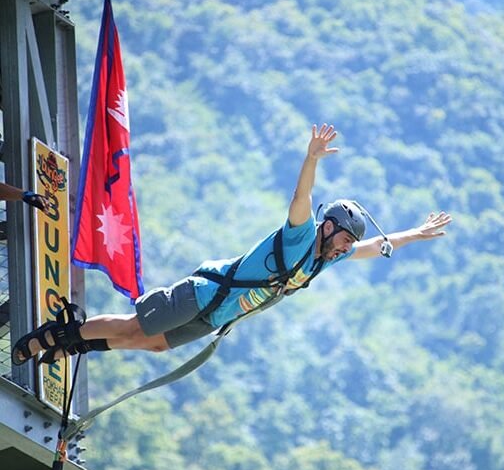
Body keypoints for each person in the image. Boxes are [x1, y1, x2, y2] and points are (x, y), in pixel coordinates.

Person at [12, 124, 452, 365]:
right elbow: (300, 199)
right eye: (343, 237)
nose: (346, 246)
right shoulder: (300, 236)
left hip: (216, 316)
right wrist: (310, 159)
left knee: (154, 344)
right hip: (207, 293)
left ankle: (77, 343)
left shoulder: (324, 262)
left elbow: (378, 245)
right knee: (136, 327)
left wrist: (416, 232)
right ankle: (54, 335)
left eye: (348, 243)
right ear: (328, 226)